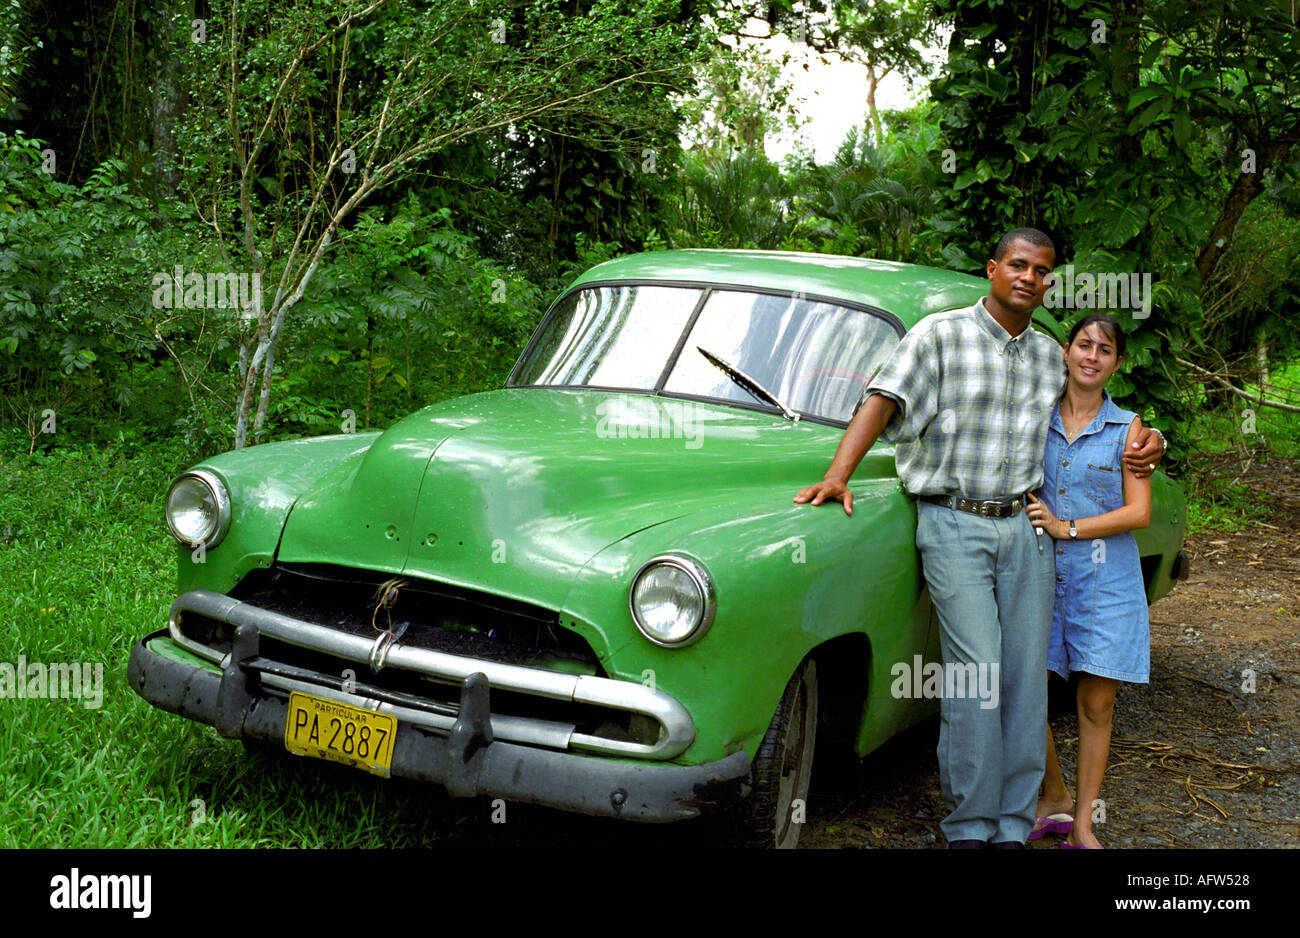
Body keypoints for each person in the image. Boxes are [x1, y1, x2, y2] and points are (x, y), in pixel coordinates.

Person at [794, 228, 1165, 848]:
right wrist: (838, 475)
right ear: (994, 269)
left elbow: (1098, 414)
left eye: (1040, 270)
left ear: (1048, 284)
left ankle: (1015, 825)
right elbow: (881, 400)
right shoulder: (940, 334)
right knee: (975, 674)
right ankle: (969, 827)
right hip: (953, 521)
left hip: (1026, 528)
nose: (1027, 276)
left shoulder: (1051, 353)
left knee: (1025, 679)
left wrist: (1152, 442)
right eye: (1017, 264)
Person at [1024, 313, 1151, 849]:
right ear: (1067, 352)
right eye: (1083, 344)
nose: (1092, 356)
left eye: (1104, 350)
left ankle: (1082, 826)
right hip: (1040, 574)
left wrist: (1064, 526)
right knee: (1026, 693)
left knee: (1096, 705)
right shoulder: (1033, 416)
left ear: (1117, 364)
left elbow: (1138, 512)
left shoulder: (1131, 431)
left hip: (1107, 581)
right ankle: (1053, 798)